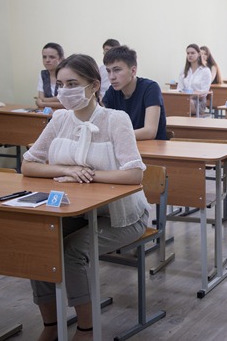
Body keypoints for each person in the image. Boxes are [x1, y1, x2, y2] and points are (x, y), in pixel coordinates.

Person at [22, 54, 150, 341]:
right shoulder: (59, 119)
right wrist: (67, 169)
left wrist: (87, 174)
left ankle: (86, 329)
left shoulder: (116, 120)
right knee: (40, 243)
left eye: (73, 83)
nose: (65, 90)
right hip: (76, 212)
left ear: (93, 86)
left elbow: (134, 175)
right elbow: (28, 164)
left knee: (72, 251)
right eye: (61, 84)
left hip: (122, 217)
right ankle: (52, 325)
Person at [103, 45, 167, 140]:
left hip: (152, 150)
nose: (112, 77)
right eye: (108, 71)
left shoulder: (150, 88)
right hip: (123, 148)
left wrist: (116, 136)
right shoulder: (111, 92)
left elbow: (150, 131)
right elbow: (104, 126)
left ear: (133, 71)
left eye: (117, 70)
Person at [178, 43, 212, 115]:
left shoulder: (205, 71)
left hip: (199, 102)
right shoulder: (183, 70)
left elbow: (204, 92)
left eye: (192, 53)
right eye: (188, 53)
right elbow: (180, 89)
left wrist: (189, 96)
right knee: (174, 101)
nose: (190, 55)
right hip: (184, 99)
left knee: (185, 102)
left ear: (199, 54)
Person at [35, 42, 65, 109]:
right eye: (44, 57)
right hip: (47, 113)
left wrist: (43, 103)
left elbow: (66, 103)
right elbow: (40, 97)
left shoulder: (66, 75)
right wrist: (56, 99)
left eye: (52, 57)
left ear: (61, 59)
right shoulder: (42, 74)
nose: (47, 60)